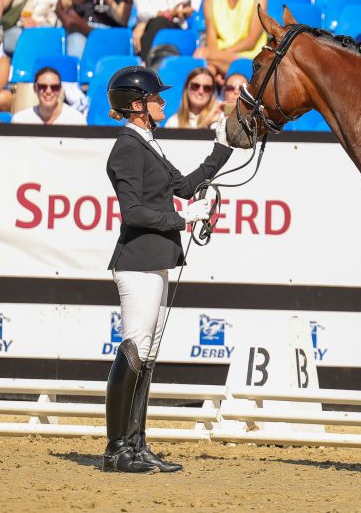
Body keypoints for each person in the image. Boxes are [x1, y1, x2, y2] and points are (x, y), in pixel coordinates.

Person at [103, 65, 232, 473]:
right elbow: (134, 212)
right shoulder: (127, 147)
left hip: (157, 258)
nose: (163, 102)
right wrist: (184, 218)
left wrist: (222, 146)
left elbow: (185, 187)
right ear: (138, 106)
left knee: (149, 354)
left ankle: (137, 445)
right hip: (138, 261)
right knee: (134, 348)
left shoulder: (149, 143)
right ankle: (116, 449)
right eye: (157, 98)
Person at [193, 0, 266, 80]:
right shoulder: (210, 1)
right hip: (219, 57)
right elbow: (211, 42)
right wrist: (218, 57)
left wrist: (222, 54)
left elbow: (251, 41)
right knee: (209, 68)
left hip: (250, 58)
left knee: (202, 55)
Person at [10, 66, 85, 125]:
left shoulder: (76, 120)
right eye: (43, 87)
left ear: (60, 89)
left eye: (54, 87)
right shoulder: (20, 120)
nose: (48, 91)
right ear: (35, 88)